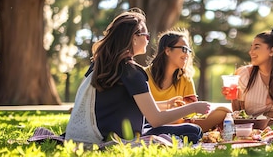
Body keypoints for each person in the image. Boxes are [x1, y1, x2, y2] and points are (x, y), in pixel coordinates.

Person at [64, 9, 210, 144]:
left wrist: (166, 104)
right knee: (193, 131)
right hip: (119, 137)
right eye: (145, 35)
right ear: (134, 37)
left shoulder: (101, 66)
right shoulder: (132, 72)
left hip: (94, 133)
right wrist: (194, 107)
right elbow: (156, 119)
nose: (148, 39)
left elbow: (122, 104)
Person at [223, 27, 273, 120]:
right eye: (251, 47)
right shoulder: (244, 74)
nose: (251, 52)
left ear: (272, 51)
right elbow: (238, 114)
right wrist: (234, 97)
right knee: (221, 111)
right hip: (251, 128)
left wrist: (271, 115)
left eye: (256, 47)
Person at [145, 29, 198, 110]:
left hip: (180, 121)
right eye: (184, 49)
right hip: (151, 122)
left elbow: (192, 112)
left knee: (222, 111)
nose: (187, 54)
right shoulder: (143, 75)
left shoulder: (186, 79)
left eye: (188, 50)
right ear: (168, 50)